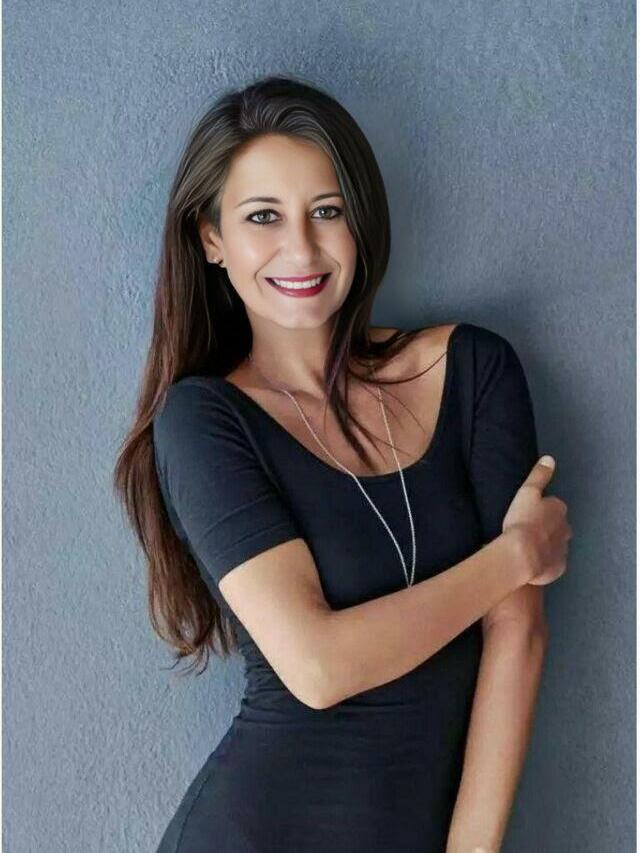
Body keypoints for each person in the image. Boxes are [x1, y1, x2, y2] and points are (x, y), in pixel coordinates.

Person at [113, 74, 572, 853]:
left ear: (360, 217)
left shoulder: (473, 372)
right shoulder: (204, 419)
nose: (301, 248)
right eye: (263, 216)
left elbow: (518, 632)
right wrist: (513, 556)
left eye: (326, 210)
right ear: (212, 238)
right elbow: (317, 666)